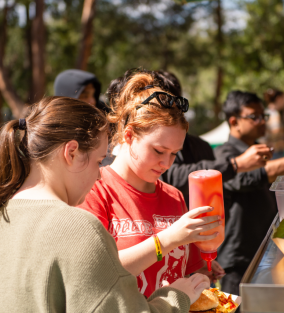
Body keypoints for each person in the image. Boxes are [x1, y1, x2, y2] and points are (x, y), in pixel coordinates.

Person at [0, 96, 210, 312]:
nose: (100, 174)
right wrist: (177, 298)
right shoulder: (78, 227)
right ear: (71, 153)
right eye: (98, 161)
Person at [80, 71, 223, 298]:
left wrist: (203, 273)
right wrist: (167, 239)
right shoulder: (93, 189)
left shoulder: (174, 196)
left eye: (174, 154)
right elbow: (94, 273)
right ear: (129, 136)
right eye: (158, 151)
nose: (166, 163)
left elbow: (189, 271)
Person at [214, 91, 284, 295]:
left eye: (264, 116)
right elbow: (247, 179)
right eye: (254, 117)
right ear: (234, 121)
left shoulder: (258, 151)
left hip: (262, 250)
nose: (262, 122)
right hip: (239, 256)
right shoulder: (226, 156)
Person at [158, 71, 273, 208]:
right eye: (254, 117)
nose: (164, 162)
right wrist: (235, 165)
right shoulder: (224, 153)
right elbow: (172, 178)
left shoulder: (202, 147)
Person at [263, 88, 284, 159]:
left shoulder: (267, 112)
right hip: (275, 152)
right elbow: (275, 132)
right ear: (279, 99)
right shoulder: (274, 114)